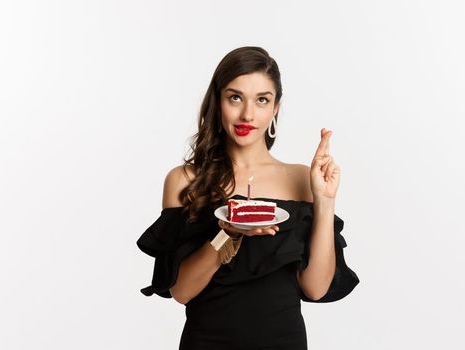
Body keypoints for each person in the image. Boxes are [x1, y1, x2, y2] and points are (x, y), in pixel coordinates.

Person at [136, 46, 359, 350]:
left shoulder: (300, 179)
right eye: (235, 97)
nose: (248, 114)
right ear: (218, 101)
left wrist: (324, 200)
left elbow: (316, 288)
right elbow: (182, 291)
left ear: (275, 108)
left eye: (262, 100)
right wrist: (226, 235)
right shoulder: (185, 180)